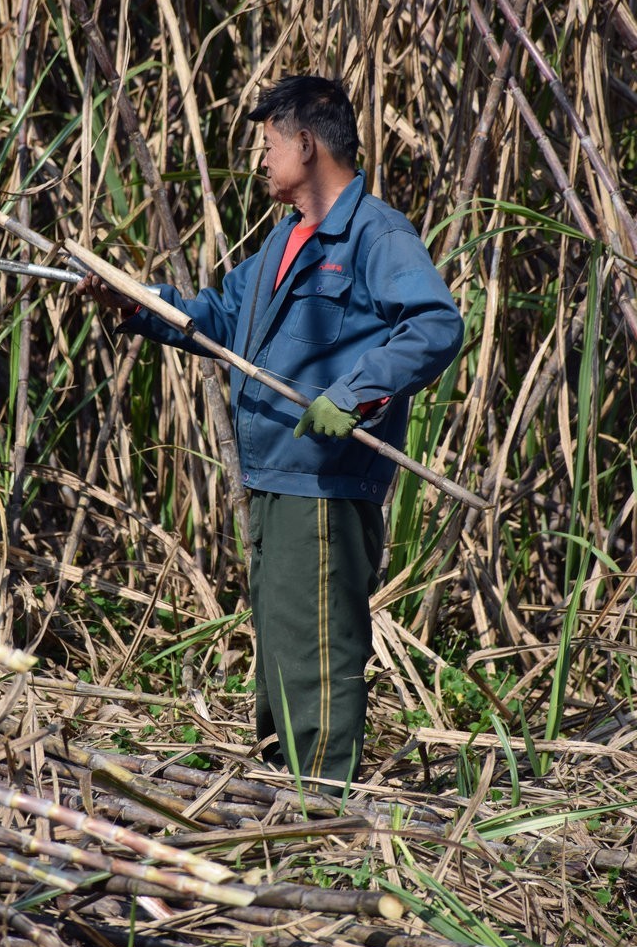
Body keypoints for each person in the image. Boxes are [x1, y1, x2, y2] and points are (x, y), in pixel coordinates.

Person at [77, 75, 464, 790]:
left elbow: (436, 325)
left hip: (323, 484)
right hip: (272, 479)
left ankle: (323, 807)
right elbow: (218, 318)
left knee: (318, 651)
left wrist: (353, 394)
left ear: (306, 144)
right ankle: (281, 796)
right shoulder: (285, 240)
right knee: (284, 648)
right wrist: (132, 302)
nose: (260, 159)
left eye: (267, 145)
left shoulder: (375, 234)